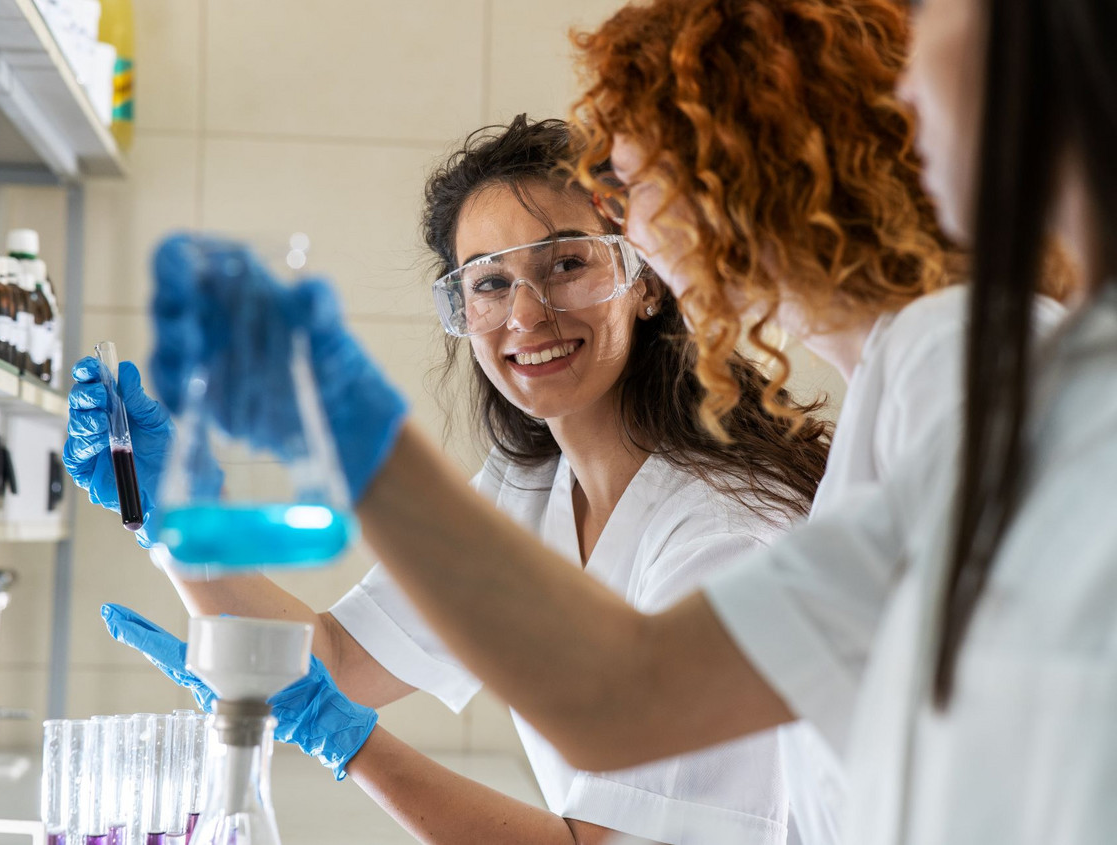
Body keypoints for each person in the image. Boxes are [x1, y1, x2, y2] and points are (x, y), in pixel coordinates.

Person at [138, 0, 1117, 840]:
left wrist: (354, 430)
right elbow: (623, 693)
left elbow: (624, 698)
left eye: (631, 186)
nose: (631, 229)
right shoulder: (907, 382)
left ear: (746, 163)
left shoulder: (950, 358)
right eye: (486, 281)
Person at [69, 116, 833, 844]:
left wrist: (345, 740)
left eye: (567, 263)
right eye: (490, 283)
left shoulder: (724, 538)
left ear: (645, 280)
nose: (526, 315)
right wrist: (166, 515)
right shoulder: (529, 486)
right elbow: (337, 660)